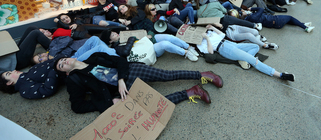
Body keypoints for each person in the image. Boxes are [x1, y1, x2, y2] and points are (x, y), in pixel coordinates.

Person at [54, 52, 223, 113]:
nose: (64, 62)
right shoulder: (74, 80)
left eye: (63, 60)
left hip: (131, 72)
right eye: (61, 66)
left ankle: (202, 74)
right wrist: (108, 102)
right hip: (123, 91)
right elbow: (77, 106)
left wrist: (120, 78)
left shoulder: (95, 57)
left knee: (166, 75)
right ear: (66, 72)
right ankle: (191, 92)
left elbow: (120, 61)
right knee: (151, 107)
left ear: (72, 57)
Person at [198, 24, 294, 80]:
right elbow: (210, 52)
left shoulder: (210, 32)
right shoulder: (199, 44)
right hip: (224, 49)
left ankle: (243, 60)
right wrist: (206, 38)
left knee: (255, 46)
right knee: (253, 60)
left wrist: (212, 28)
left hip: (229, 43)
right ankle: (281, 75)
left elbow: (222, 35)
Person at [100, 28, 200, 62]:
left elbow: (146, 32)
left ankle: (189, 47)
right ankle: (186, 53)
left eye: (114, 32)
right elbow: (126, 51)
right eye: (113, 35)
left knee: (170, 37)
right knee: (165, 44)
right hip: (148, 49)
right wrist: (133, 38)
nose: (116, 34)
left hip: (150, 40)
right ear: (110, 41)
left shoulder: (124, 33)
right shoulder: (116, 48)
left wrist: (149, 35)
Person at [189, 0, 262, 32]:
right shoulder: (215, 3)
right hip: (224, 18)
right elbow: (224, 11)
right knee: (240, 22)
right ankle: (255, 25)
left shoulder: (198, 11)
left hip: (215, 27)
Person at [231, 7, 315, 33]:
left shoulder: (248, 18)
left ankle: (303, 24)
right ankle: (306, 28)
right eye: (241, 13)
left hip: (274, 23)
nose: (243, 12)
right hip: (276, 20)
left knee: (289, 20)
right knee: (290, 17)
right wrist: (251, 8)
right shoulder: (252, 17)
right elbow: (261, 9)